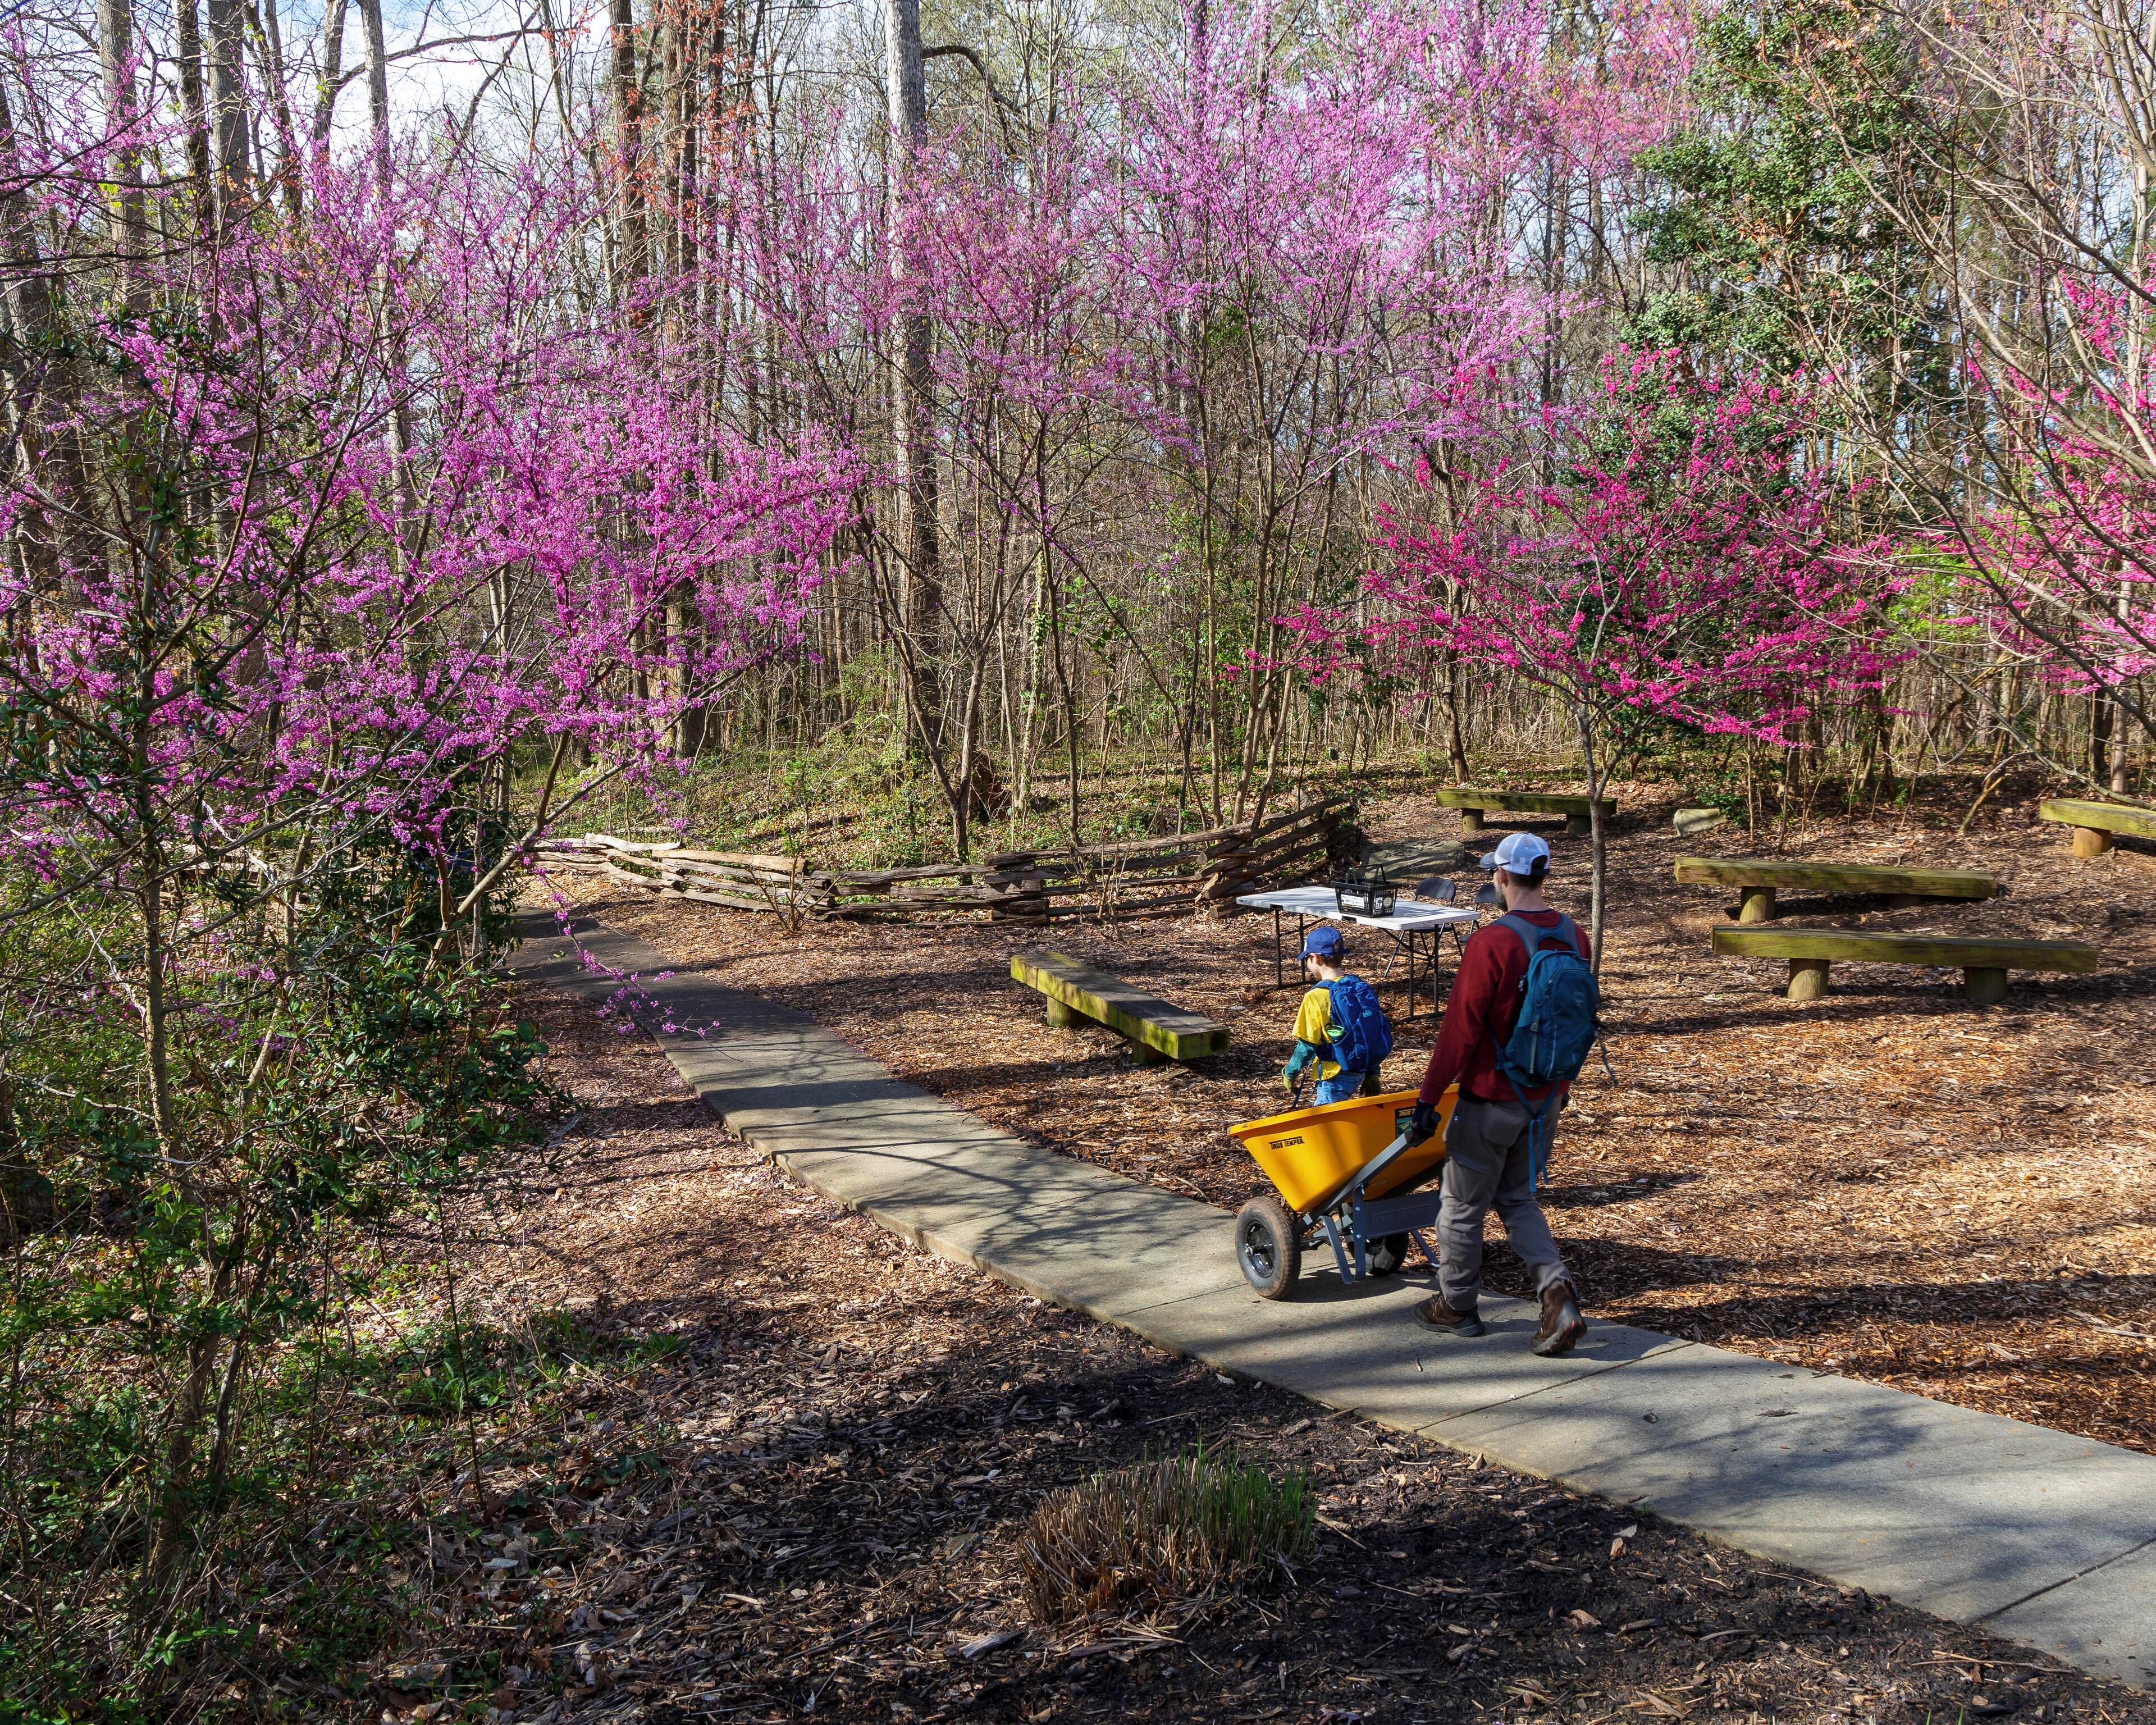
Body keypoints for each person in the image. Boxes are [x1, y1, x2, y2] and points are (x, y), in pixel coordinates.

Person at [1401, 830, 1589, 1356]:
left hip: (1489, 1101)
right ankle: (1557, 1296)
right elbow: (1576, 1023)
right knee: (1517, 1196)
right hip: (1544, 1098)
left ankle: (1456, 1306)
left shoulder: (1492, 943)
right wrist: (1562, 1088)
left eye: (1493, 873)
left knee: (1461, 1204)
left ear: (1502, 876)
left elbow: (1460, 1030)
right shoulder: (1576, 937)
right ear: (1543, 874)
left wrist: (1428, 1100)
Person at [1281, 926, 1391, 1105]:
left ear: (1315, 958)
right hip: (1359, 1071)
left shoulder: (1316, 996)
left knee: (1326, 1126)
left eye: (1307, 959)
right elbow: (1368, 1034)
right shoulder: (1358, 987)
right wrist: (1373, 1074)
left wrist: (1291, 1072)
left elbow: (1307, 1045)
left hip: (1334, 1076)